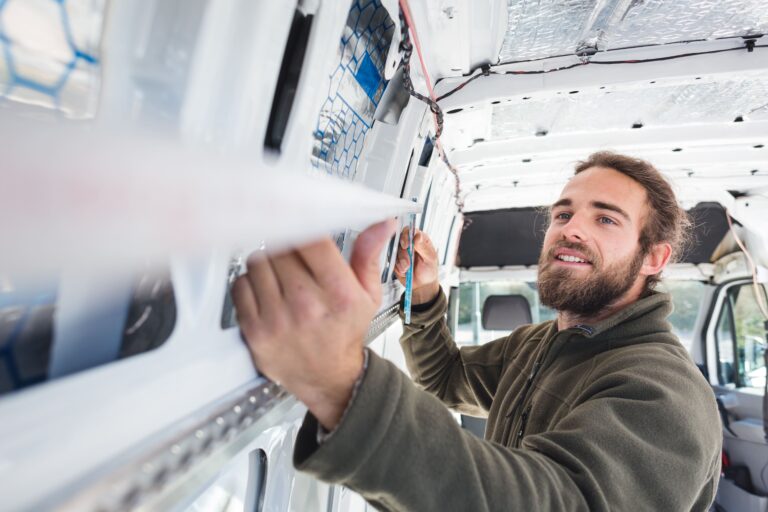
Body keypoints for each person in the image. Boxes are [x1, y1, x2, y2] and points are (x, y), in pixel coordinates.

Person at [232, 151, 722, 511]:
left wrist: (341, 386)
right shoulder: (540, 344)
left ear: (653, 258)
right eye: (563, 214)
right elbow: (445, 379)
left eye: (606, 219)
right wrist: (423, 295)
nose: (572, 229)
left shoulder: (663, 391)